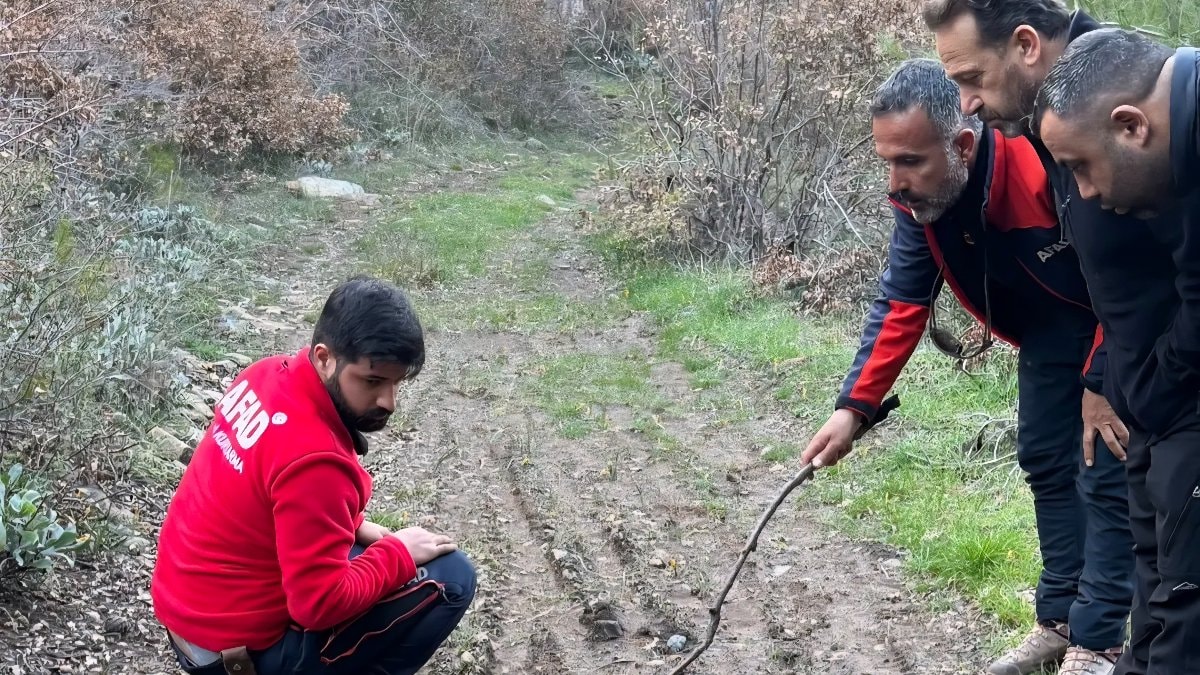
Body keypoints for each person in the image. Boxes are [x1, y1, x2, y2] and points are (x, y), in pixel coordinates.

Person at [799, 56, 1133, 675]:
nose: (894, 182)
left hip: (1116, 321)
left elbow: (1121, 274)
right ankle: (1060, 621)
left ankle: (1101, 640)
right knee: (1043, 457)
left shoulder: (1043, 165)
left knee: (1102, 467)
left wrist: (1100, 380)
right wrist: (853, 409)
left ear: (959, 144)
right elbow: (901, 301)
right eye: (887, 162)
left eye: (910, 161)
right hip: (1048, 328)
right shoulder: (920, 203)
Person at [150, 275, 476, 675]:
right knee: (451, 576)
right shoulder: (316, 461)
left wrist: (354, 526)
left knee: (367, 559)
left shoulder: (265, 375)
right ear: (324, 357)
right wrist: (399, 554)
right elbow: (319, 606)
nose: (389, 402)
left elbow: (263, 493)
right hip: (230, 653)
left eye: (396, 382)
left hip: (188, 613)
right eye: (373, 381)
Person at [1032, 28, 1200, 675]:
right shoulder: (1176, 158)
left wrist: (1156, 385)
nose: (1088, 194)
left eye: (1081, 166)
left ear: (1130, 126)